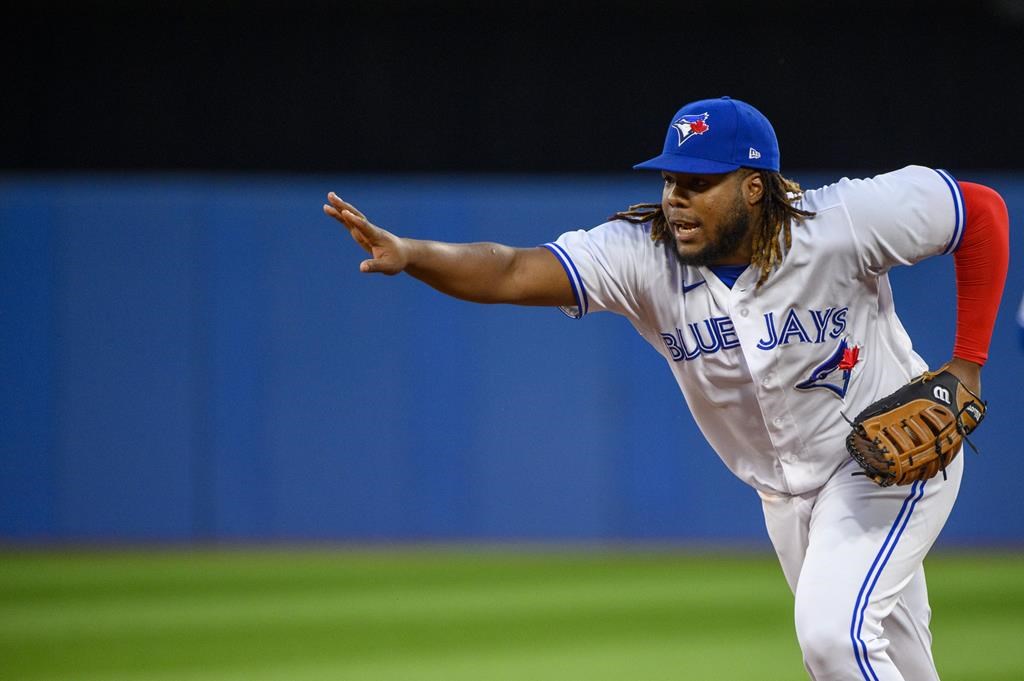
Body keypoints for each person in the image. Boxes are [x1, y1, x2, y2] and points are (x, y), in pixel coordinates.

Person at [323, 96, 1009, 680]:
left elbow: (978, 212)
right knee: (891, 658)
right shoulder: (641, 257)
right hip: (785, 495)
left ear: (753, 185)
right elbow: (508, 270)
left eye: (696, 181)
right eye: (670, 178)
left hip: (886, 457)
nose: (675, 197)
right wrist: (414, 255)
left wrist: (966, 364)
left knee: (833, 638)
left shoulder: (842, 221)